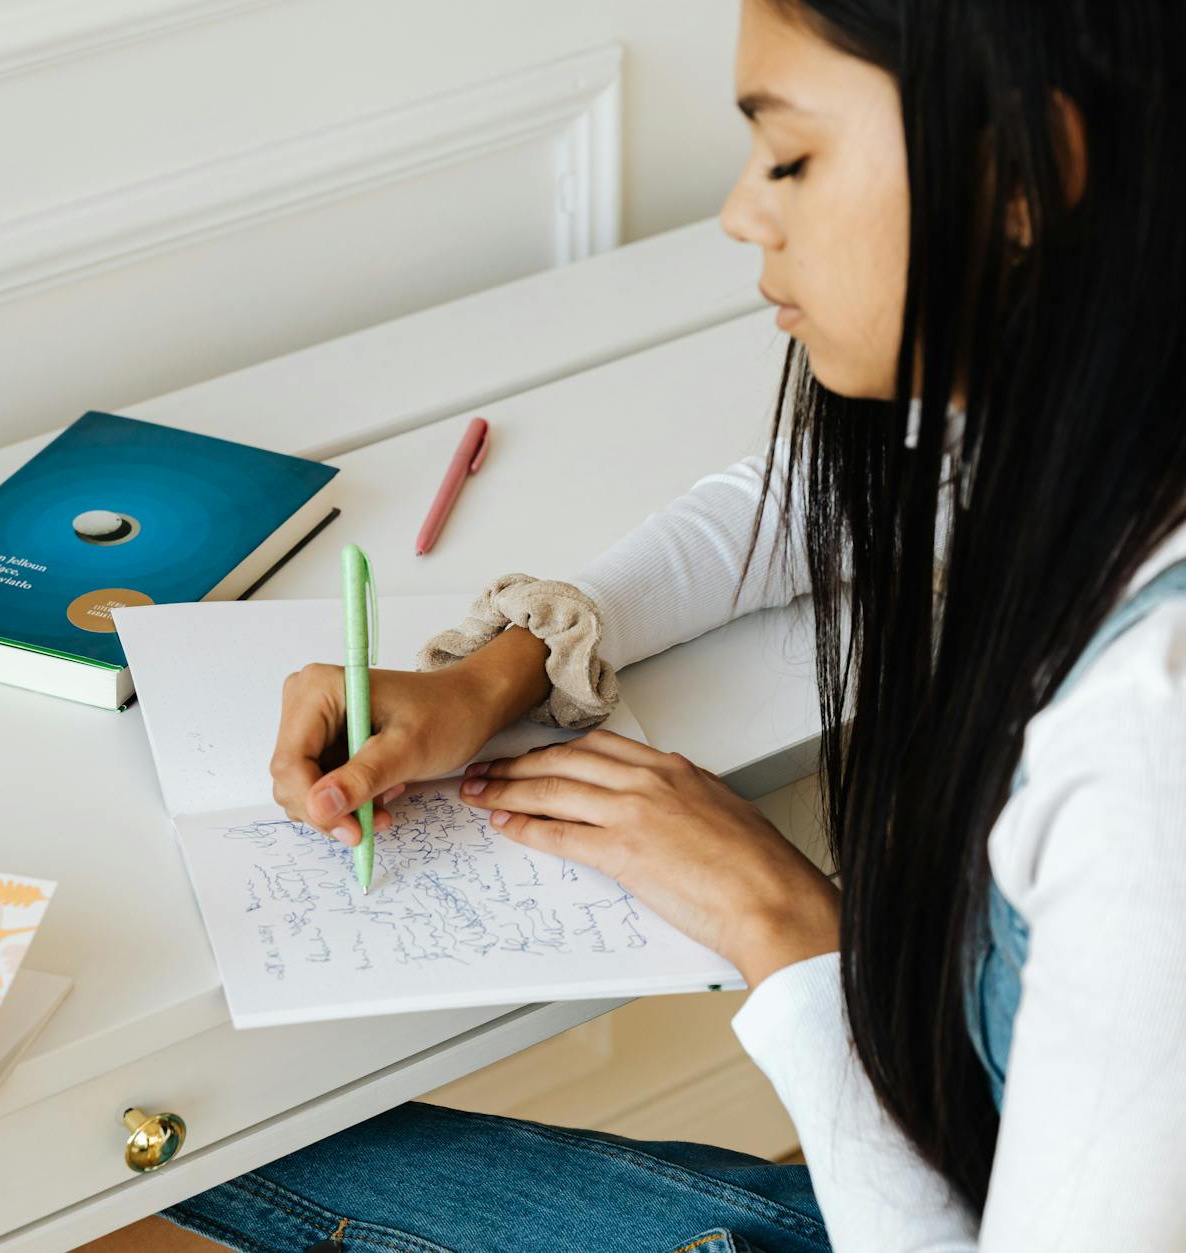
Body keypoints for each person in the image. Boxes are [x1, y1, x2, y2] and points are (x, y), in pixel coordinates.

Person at [106, 0, 1186, 1248]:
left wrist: (777, 921)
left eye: (788, 156)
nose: (741, 211)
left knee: (197, 1138)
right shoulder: (1106, 421)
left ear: (1027, 174)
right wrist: (506, 666)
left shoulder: (1147, 754)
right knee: (216, 1137)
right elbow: (803, 507)